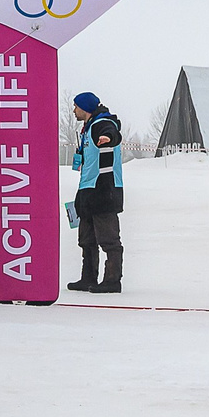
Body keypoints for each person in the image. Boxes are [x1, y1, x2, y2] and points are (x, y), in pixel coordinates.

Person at [67, 91, 125, 292]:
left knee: (109, 239)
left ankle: (112, 281)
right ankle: (88, 278)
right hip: (88, 190)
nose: (74, 110)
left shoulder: (102, 123)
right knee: (87, 239)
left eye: (76, 107)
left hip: (104, 190)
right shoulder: (88, 127)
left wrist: (107, 137)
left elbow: (113, 132)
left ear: (85, 108)